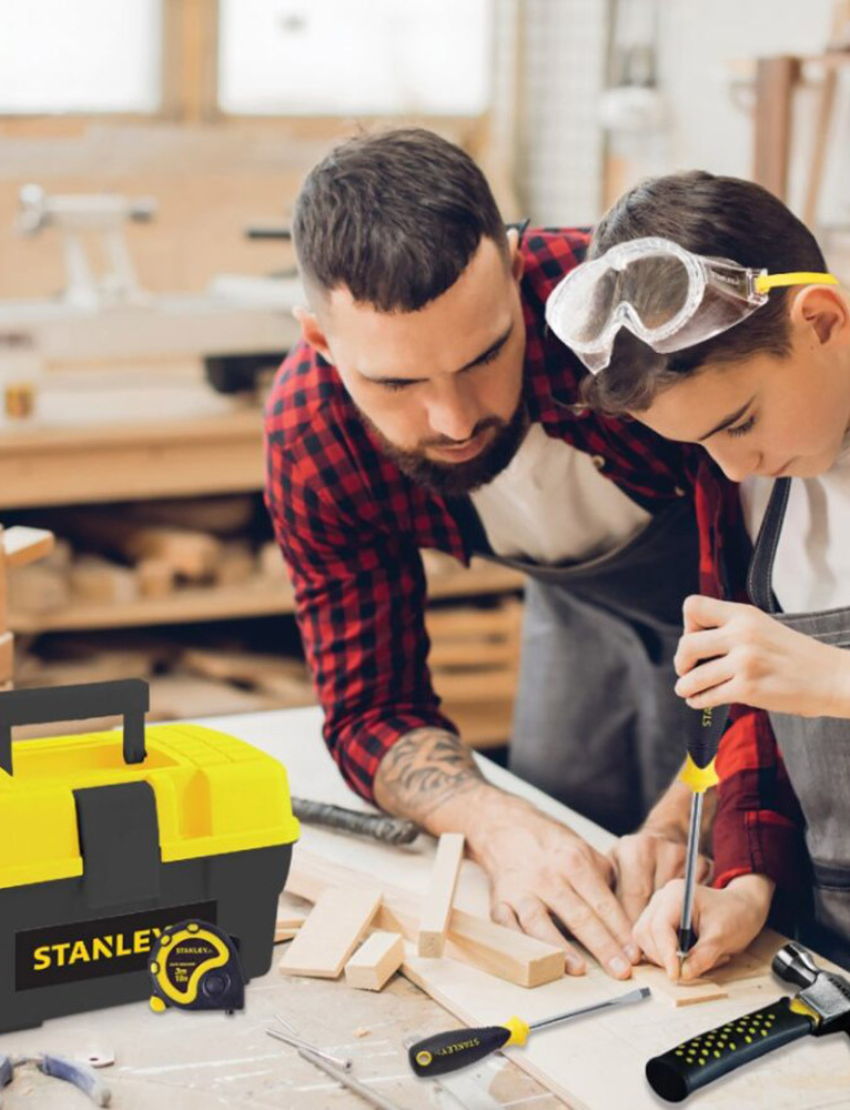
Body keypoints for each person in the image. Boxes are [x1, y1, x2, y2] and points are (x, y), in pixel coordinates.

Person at [263, 129, 724, 979]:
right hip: (577, 610)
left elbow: (780, 589)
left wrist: (681, 820)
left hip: (743, 610)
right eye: (396, 383)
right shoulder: (312, 436)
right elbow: (370, 709)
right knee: (562, 830)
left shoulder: (629, 315)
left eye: (484, 356)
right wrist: (500, 822)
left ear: (517, 274)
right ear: (321, 342)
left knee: (728, 869)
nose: (452, 419)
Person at [545, 168, 846, 975]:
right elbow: (753, 716)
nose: (734, 465)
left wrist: (832, 680)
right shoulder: (748, 477)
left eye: (741, 421)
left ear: (822, 319)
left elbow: (804, 683)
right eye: (701, 443)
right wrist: (747, 880)